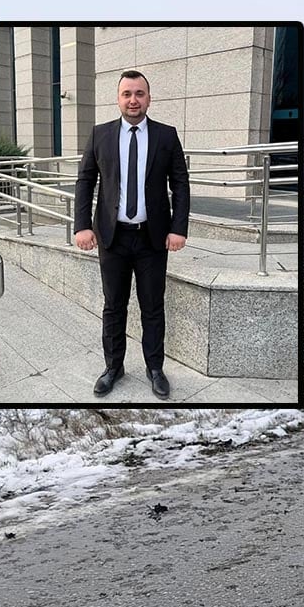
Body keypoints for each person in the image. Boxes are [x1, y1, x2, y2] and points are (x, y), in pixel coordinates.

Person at [74, 70, 190, 399]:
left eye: (139, 93)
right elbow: (85, 181)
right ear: (118, 98)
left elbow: (180, 184)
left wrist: (178, 228)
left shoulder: (167, 136)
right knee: (114, 306)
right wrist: (81, 225)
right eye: (127, 93)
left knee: (153, 306)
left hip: (153, 238)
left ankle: (155, 368)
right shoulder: (100, 135)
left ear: (149, 98)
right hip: (113, 238)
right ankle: (114, 367)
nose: (133, 100)